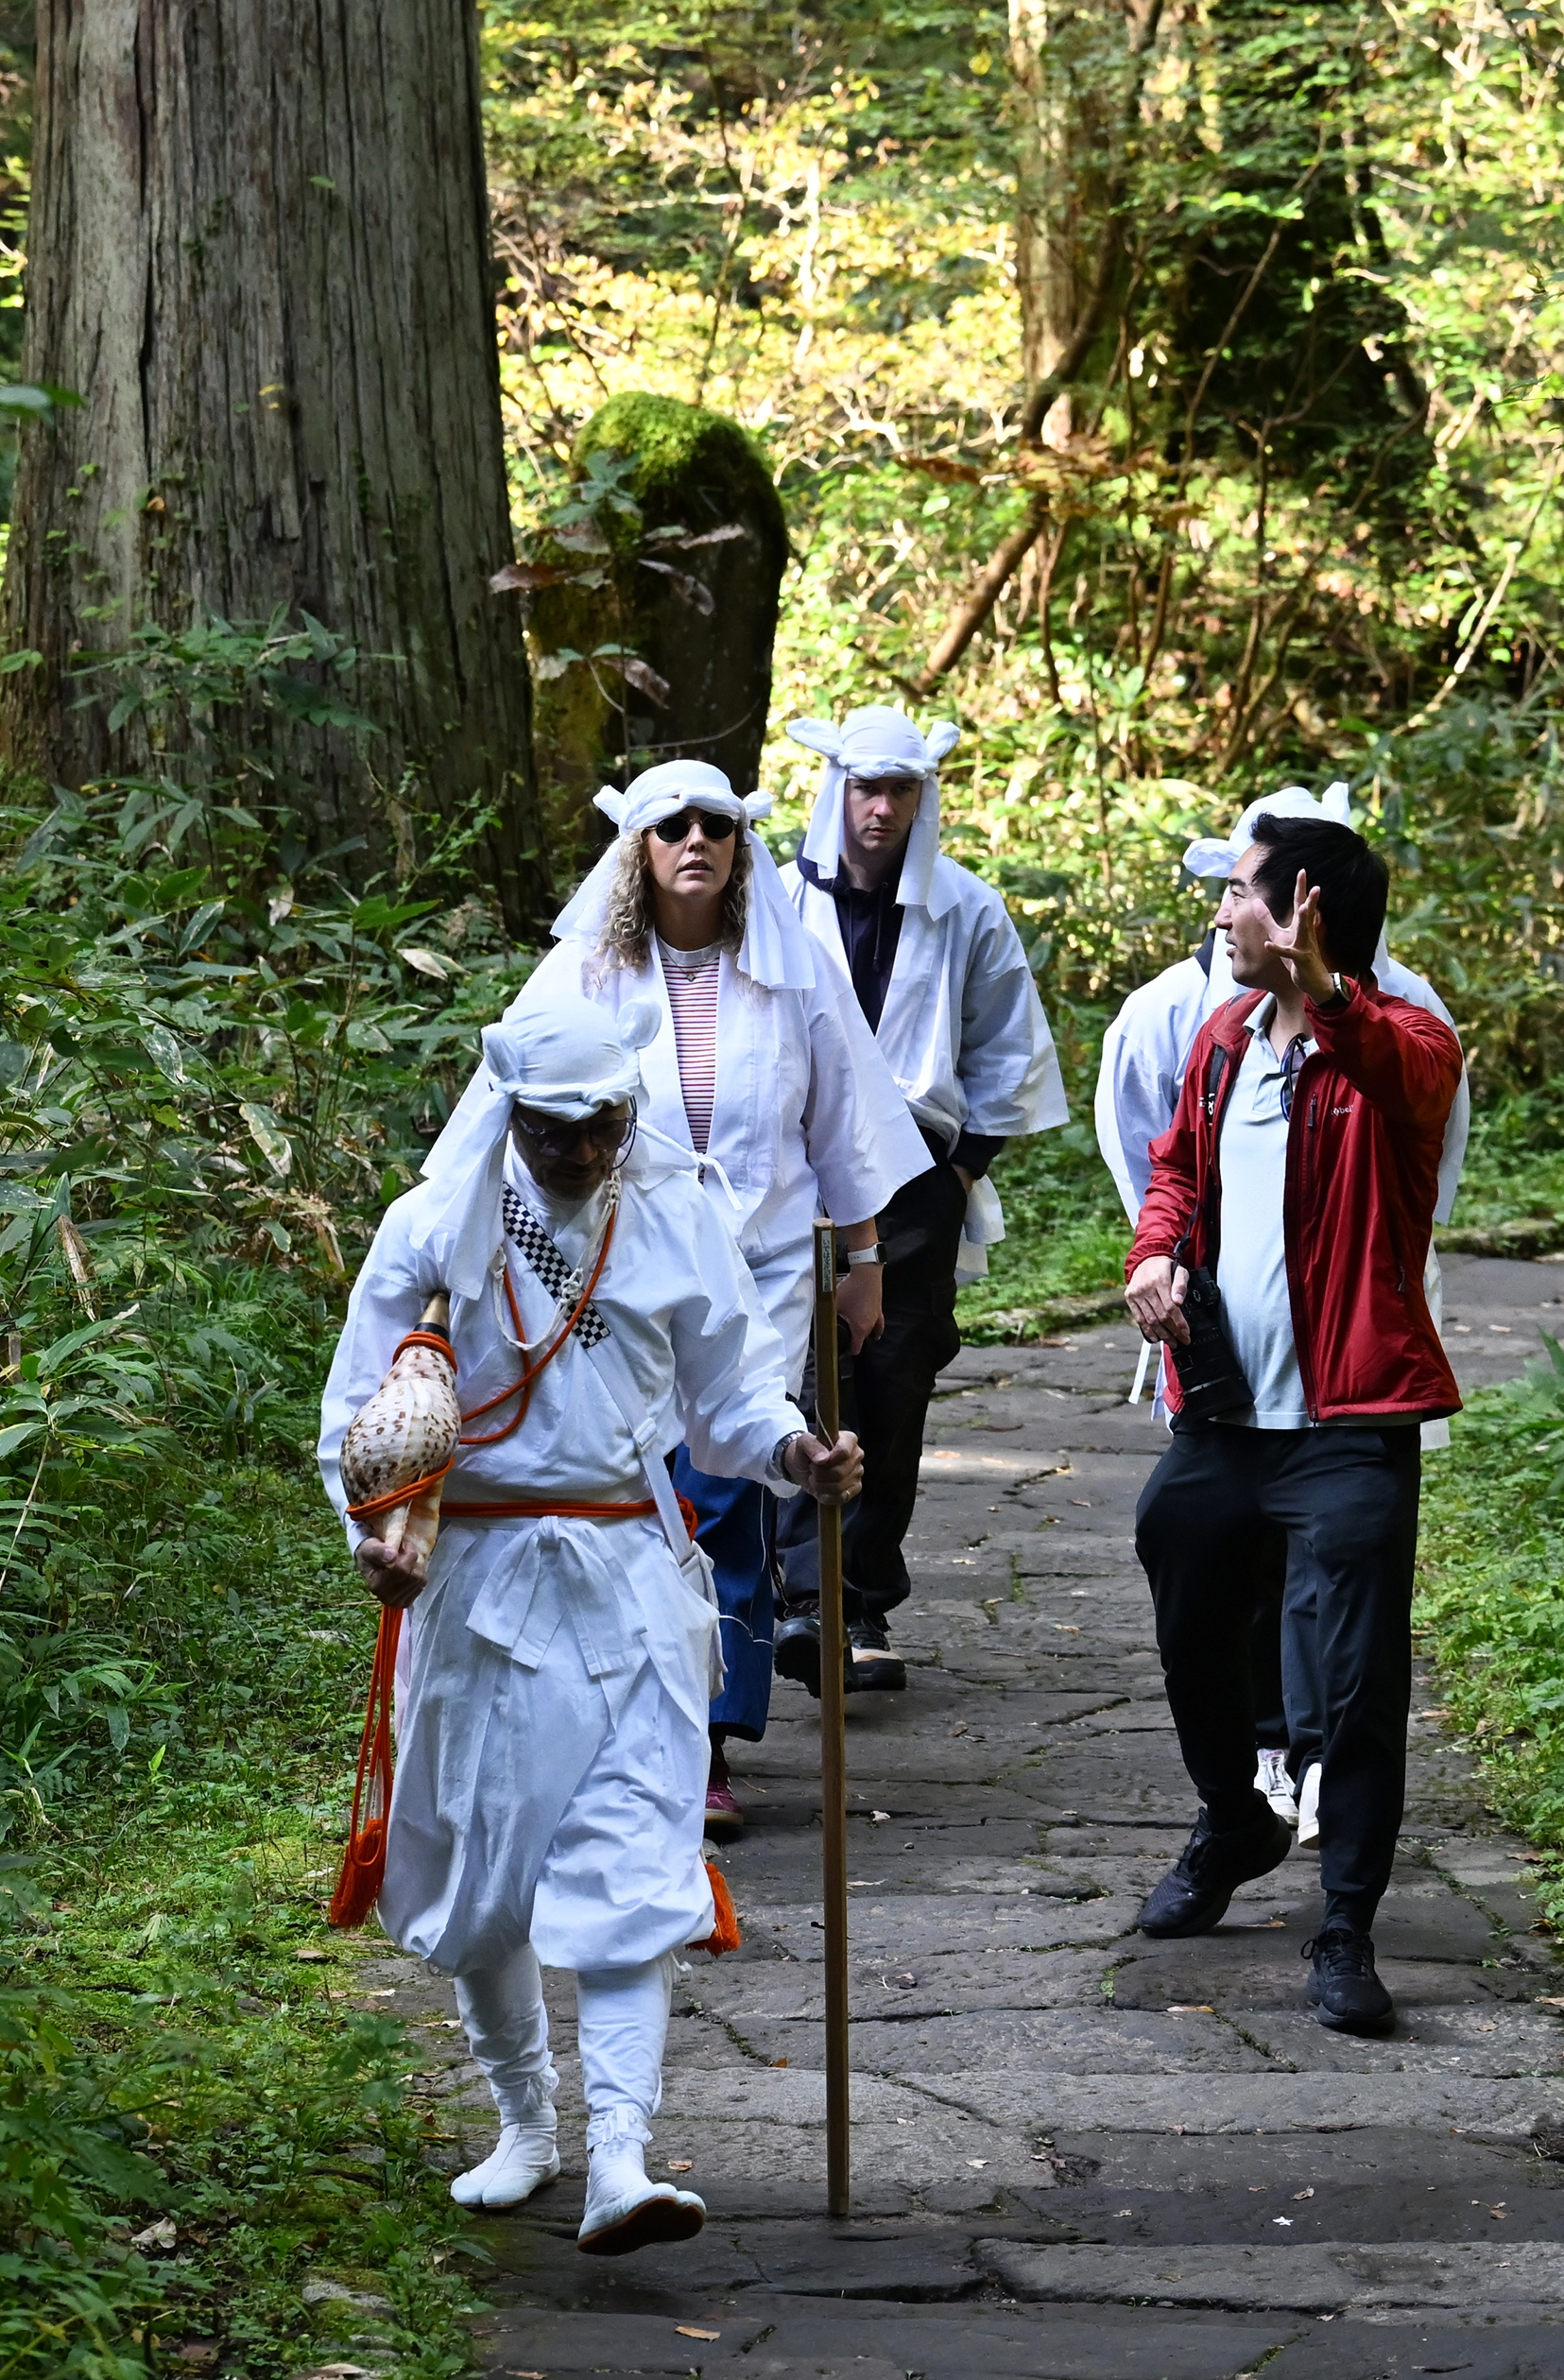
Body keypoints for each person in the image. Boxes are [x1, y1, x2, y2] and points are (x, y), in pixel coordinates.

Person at [319, 986, 861, 2242]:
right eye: (553, 1126)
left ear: (633, 1109)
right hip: (479, 1585)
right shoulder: (429, 1233)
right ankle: (525, 2125)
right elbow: (360, 1419)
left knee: (629, 1860)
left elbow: (733, 1403)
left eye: (601, 1122)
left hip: (631, 1576)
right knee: (489, 1870)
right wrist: (378, 1537)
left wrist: (798, 1454)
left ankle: (624, 2158)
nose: (578, 1148)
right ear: (508, 1113)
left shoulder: (680, 1221)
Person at [511, 759, 930, 1834]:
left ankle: (705, 1740)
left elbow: (841, 1123)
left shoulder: (790, 973)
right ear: (638, 848)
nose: (695, 841)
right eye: (671, 827)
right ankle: (620, 1722)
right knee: (637, 1492)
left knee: (730, 1490)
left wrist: (865, 1261)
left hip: (763, 1261)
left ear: (742, 846)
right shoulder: (583, 975)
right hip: (619, 1271)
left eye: (716, 825)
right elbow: (512, 1116)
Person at [1125, 815, 1462, 2037]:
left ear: (1304, 912)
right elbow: (1176, 1172)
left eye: (1242, 896)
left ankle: (1346, 1928)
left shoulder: (1406, 1042)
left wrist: (1328, 991)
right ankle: (1237, 1817)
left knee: (1359, 1676)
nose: (1222, 913)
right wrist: (1156, 1249)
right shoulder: (1220, 1045)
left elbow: (1397, 1077)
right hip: (1226, 1414)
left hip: (1352, 1420)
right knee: (1177, 1560)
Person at [777, 703, 1069, 1690]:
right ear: (836, 790)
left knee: (892, 1383)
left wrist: (961, 1168)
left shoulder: (965, 908)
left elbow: (1008, 1045)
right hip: (796, 1176)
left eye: (900, 789)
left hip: (913, 1177)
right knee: (791, 1375)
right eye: (866, 787)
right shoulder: (777, 903)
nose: (881, 807)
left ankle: (859, 1602)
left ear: (923, 797)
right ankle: (795, 1596)